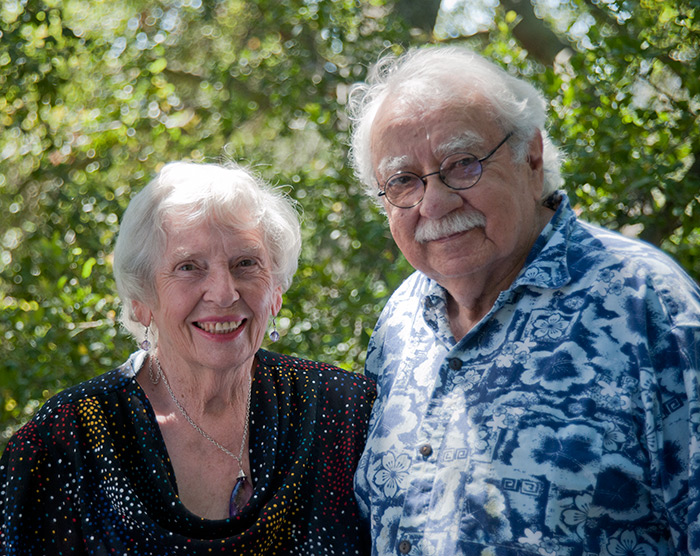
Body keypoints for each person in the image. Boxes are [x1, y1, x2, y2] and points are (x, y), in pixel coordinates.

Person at [348, 45, 700, 555]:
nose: (435, 202)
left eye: (462, 164)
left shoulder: (648, 303)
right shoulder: (401, 318)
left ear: (530, 154)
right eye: (403, 181)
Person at [0, 161, 376, 555]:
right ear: (142, 303)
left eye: (245, 263)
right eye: (189, 267)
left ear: (276, 292)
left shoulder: (342, 412)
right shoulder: (62, 446)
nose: (224, 292)